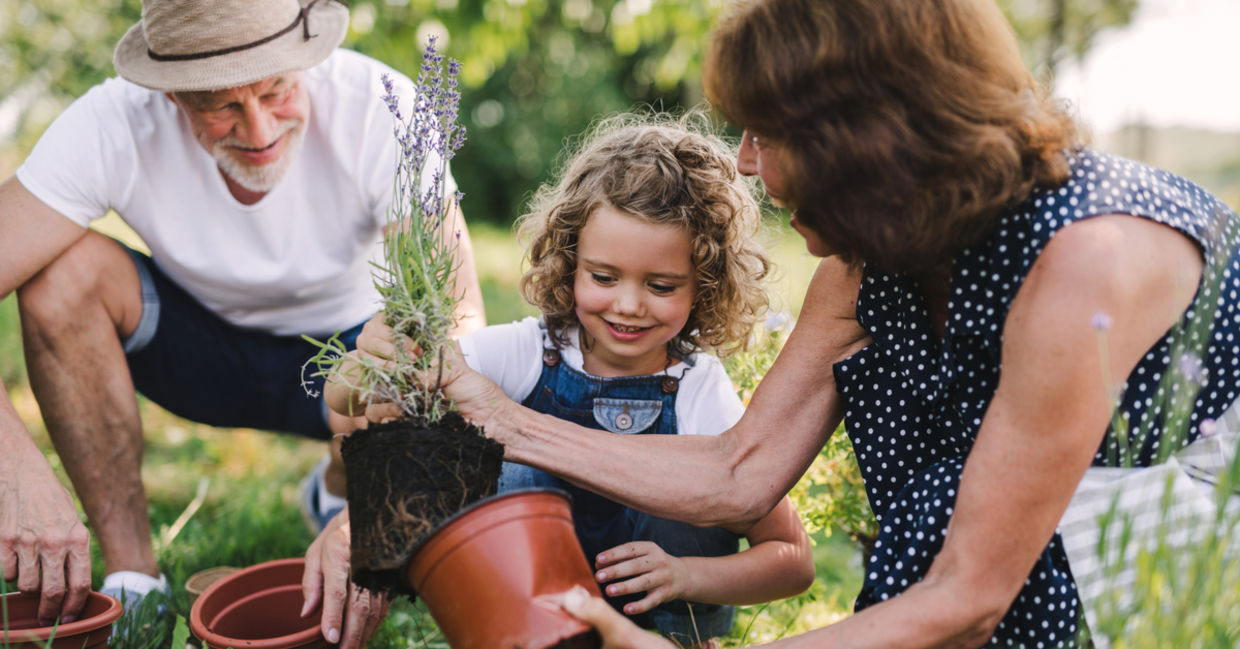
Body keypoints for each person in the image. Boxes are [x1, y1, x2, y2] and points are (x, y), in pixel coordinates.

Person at [330, 0, 1240, 647]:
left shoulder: (1082, 264)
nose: (745, 163)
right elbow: (741, 469)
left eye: (764, 132)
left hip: (1173, 545)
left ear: (867, 136)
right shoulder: (870, 256)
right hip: (1000, 553)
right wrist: (495, 416)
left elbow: (968, 596)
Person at [0, 0, 484, 626]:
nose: (258, 131)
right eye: (220, 106)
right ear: (171, 94)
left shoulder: (378, 104)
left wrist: (372, 508)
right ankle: (135, 582)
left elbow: (460, 320)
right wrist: (13, 466)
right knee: (59, 277)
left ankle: (336, 488)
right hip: (194, 349)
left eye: (277, 90)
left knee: (414, 354)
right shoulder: (111, 120)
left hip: (347, 359)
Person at [304, 117, 815, 649]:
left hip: (660, 631)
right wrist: (368, 361)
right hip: (528, 623)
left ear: (705, 284)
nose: (629, 304)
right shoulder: (528, 352)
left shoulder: (698, 391)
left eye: (661, 285)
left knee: (698, 488)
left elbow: (791, 559)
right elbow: (348, 399)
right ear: (570, 262)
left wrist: (688, 575)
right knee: (512, 476)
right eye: (603, 276)